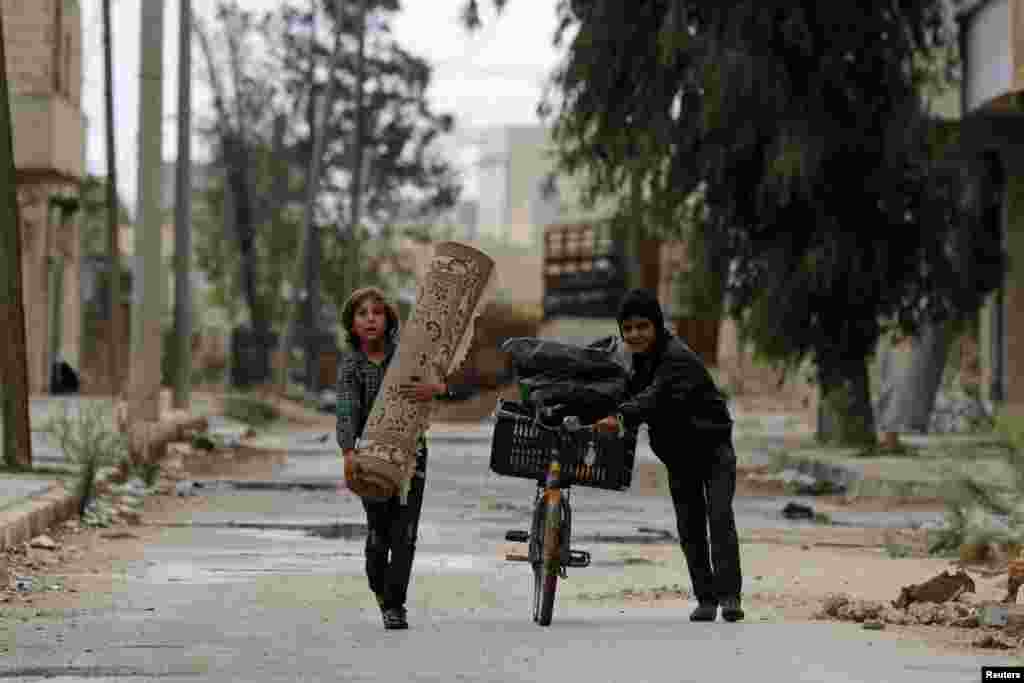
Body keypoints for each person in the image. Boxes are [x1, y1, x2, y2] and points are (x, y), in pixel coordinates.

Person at [594, 288, 744, 623]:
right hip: (678, 456)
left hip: (713, 449)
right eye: (628, 328)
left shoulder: (676, 358)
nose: (634, 334)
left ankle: (730, 596)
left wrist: (619, 418)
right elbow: (627, 393)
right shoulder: (638, 361)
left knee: (719, 519)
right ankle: (706, 599)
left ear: (657, 326)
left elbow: (653, 399)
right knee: (689, 526)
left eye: (642, 327)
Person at [335, 286, 472, 631]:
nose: (370, 319)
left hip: (413, 455)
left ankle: (394, 605)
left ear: (388, 320)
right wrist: (349, 453)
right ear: (352, 325)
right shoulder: (352, 366)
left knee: (406, 533)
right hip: (370, 460)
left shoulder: (408, 356)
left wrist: (434, 390)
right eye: (362, 314)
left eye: (377, 313)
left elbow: (453, 382)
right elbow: (347, 411)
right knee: (380, 533)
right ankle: (380, 589)